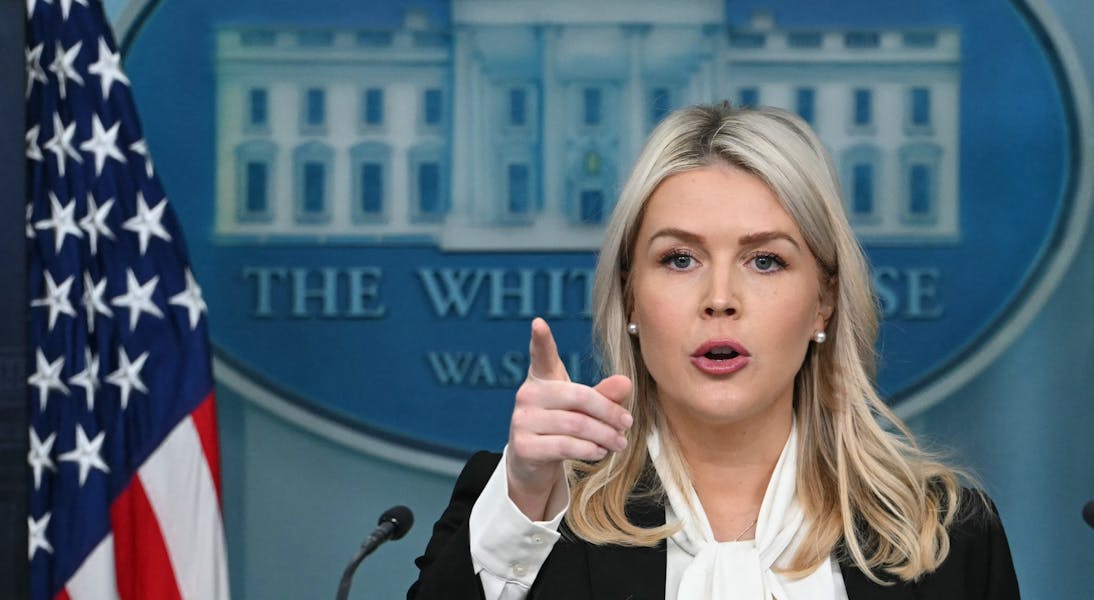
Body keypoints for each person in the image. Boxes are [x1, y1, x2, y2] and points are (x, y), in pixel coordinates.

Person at [408, 103, 1019, 599]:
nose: (720, 298)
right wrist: (524, 500)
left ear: (824, 302)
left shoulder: (948, 532)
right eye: (680, 259)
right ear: (631, 296)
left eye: (765, 261)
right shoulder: (527, 507)